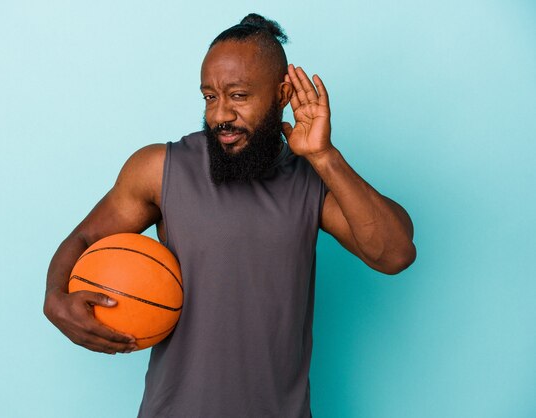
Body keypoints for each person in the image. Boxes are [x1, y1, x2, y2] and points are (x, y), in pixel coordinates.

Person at [44, 13, 416, 418]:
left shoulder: (310, 179)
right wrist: (54, 299)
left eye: (238, 96)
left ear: (281, 94)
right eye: (209, 97)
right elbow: (83, 241)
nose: (220, 114)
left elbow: (394, 253)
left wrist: (326, 158)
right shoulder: (159, 169)